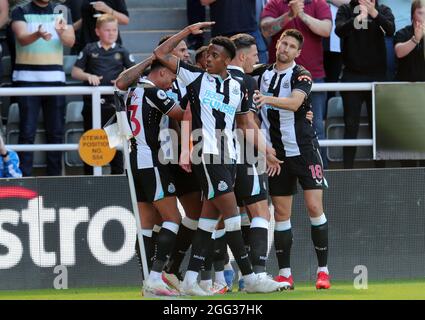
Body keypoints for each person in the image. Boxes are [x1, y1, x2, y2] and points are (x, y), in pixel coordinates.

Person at [154, 22, 288, 296]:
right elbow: (160, 53)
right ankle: (251, 276)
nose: (207, 59)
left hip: (231, 156)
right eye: (207, 55)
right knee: (232, 215)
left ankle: (190, 279)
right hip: (206, 154)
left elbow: (245, 124)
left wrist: (266, 150)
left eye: (214, 55)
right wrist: (186, 31)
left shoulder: (237, 87)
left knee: (207, 220)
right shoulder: (194, 77)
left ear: (227, 60)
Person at [252, 29, 331, 290]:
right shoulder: (261, 72)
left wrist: (266, 99)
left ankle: (323, 271)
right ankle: (285, 273)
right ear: (277, 45)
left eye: (291, 46)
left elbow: (296, 103)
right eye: (282, 43)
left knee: (313, 207)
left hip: (305, 150)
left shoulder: (301, 74)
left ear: (298, 52)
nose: (285, 48)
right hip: (277, 155)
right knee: (282, 214)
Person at [116, 56, 188, 297]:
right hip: (151, 161)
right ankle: (156, 277)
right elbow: (181, 115)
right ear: (160, 73)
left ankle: (148, 282)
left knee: (146, 224)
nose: (172, 83)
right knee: (173, 218)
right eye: (172, 77)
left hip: (133, 162)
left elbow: (120, 82)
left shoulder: (132, 92)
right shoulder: (155, 93)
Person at [260, 0, 332, 168]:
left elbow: (326, 30)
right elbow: (265, 29)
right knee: (275, 125)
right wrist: (289, 15)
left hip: (313, 77)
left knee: (316, 128)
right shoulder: (275, 3)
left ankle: (320, 173)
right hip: (277, 77)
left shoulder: (318, 3)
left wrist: (301, 15)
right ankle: (281, 169)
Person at [11, 0, 75, 176]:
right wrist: (37, 34)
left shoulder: (61, 10)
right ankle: (23, 178)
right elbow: (22, 38)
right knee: (27, 133)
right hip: (26, 80)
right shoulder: (20, 10)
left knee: (55, 133)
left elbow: (70, 41)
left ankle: (54, 179)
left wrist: (61, 32)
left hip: (55, 80)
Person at [71, 13, 135, 175]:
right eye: (107, 30)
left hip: (114, 108)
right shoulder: (89, 49)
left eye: (114, 30)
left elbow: (135, 73)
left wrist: (123, 79)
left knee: (116, 146)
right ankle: (90, 179)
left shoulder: (122, 51)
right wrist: (88, 76)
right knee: (91, 143)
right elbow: (75, 72)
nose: (112, 33)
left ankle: (118, 179)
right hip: (92, 106)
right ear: (98, 31)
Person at [335, 0, 395, 169]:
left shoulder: (383, 9)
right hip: (352, 75)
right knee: (351, 126)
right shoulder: (346, 9)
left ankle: (380, 174)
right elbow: (339, 31)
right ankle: (347, 173)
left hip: (377, 77)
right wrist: (359, 17)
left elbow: (391, 30)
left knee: (378, 128)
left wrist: (373, 13)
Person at [394, 0, 425, 82]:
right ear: (413, 14)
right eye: (420, 13)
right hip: (406, 83)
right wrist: (415, 40)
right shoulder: (402, 33)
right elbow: (399, 52)